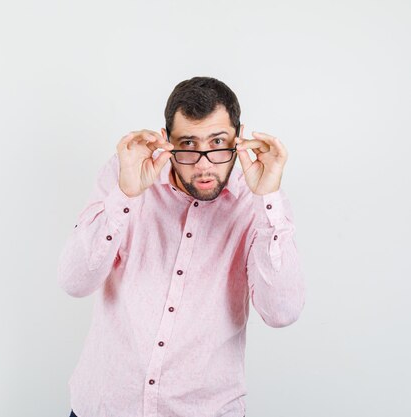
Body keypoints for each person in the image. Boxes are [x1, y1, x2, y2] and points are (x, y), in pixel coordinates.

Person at [57, 76, 305, 417]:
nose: (204, 164)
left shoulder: (260, 201)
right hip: (105, 406)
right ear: (166, 140)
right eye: (188, 144)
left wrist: (268, 200)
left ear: (240, 137)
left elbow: (282, 312)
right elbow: (74, 281)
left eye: (218, 142)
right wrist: (125, 195)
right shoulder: (126, 174)